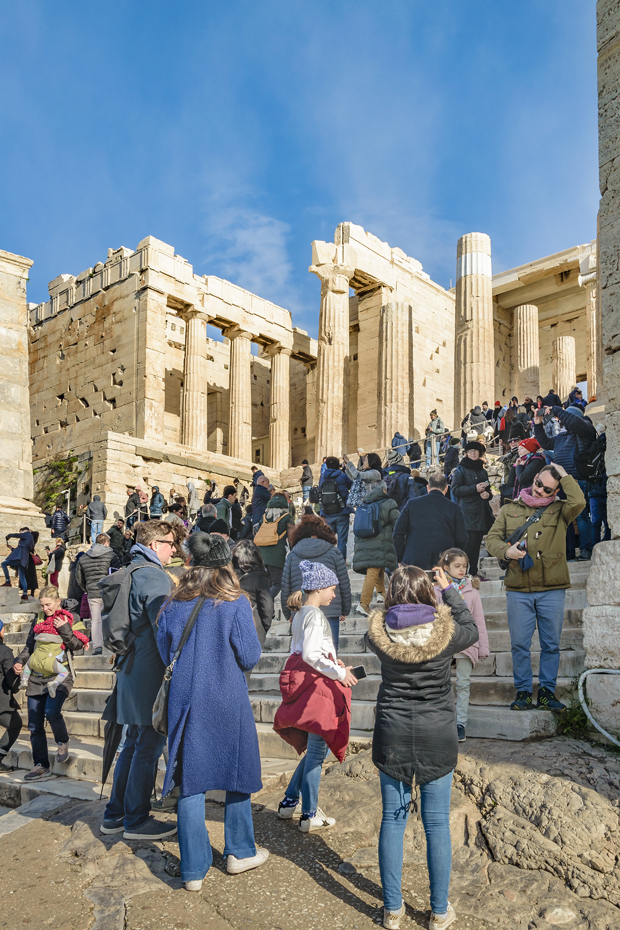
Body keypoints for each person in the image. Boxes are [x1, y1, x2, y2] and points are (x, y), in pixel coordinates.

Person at [365, 565, 478, 930]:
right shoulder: (447, 634)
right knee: (436, 824)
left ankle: (393, 910)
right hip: (436, 732)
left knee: (392, 821)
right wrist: (449, 590)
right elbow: (473, 629)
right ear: (429, 593)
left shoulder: (378, 633)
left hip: (393, 731)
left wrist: (390, 600)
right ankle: (440, 912)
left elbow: (379, 618)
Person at [157, 532, 268, 889]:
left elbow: (165, 653)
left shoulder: (172, 603)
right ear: (224, 563)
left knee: (190, 780)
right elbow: (250, 655)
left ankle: (193, 868)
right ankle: (239, 851)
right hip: (226, 695)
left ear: (189, 562)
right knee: (237, 771)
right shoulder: (234, 601)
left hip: (185, 697)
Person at [486, 463, 585, 712]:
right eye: (539, 484)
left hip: (552, 587)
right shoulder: (509, 509)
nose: (540, 490)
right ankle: (522, 692)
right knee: (520, 644)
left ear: (555, 492)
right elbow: (491, 539)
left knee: (550, 645)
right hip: (518, 588)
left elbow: (579, 501)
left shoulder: (561, 510)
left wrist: (564, 476)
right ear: (535, 478)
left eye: (547, 490)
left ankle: (546, 693)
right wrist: (505, 551)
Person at [99, 521, 176, 841]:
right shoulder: (153, 575)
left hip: (131, 666)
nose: (175, 548)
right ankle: (137, 819)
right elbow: (164, 625)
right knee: (148, 744)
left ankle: (115, 814)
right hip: (148, 670)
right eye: (171, 543)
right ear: (155, 544)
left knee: (133, 743)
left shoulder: (132, 569)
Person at [274, 561, 356, 832]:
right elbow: (311, 655)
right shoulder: (315, 615)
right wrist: (338, 671)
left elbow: (304, 652)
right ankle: (309, 814)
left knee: (313, 751)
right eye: (331, 589)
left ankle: (288, 803)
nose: (334, 595)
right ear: (319, 588)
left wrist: (332, 661)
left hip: (307, 684)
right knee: (317, 753)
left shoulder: (301, 613)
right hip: (317, 689)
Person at [14, 584, 89, 781]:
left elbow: (78, 645)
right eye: (42, 605)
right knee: (33, 725)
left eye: (48, 605)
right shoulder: (38, 619)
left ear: (58, 602)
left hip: (61, 676)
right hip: (36, 677)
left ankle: (62, 741)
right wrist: (19, 661)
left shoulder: (73, 618)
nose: (45, 609)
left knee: (51, 712)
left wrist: (64, 629)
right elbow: (29, 646)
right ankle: (41, 765)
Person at [434, 549, 489, 743]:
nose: (461, 569)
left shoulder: (472, 590)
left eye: (464, 566)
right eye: (457, 566)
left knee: (463, 684)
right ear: (446, 567)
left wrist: (482, 646)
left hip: (466, 643)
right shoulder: (436, 590)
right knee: (442, 685)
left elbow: (478, 620)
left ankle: (461, 724)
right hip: (444, 644)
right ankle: (445, 721)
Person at [534, 403, 597, 561]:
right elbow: (546, 443)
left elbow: (574, 422)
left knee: (581, 516)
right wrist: (537, 424)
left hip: (578, 479)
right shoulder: (562, 436)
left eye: (565, 417)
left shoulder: (586, 429)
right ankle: (568, 552)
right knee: (564, 518)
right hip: (560, 482)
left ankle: (586, 550)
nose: (561, 421)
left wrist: (556, 409)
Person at [281, 514, 351, 650]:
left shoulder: (293, 555)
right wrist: (345, 609)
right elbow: (344, 582)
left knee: (303, 652)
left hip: (301, 610)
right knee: (330, 652)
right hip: (331, 610)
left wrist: (287, 612)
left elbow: (285, 586)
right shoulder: (334, 552)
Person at [393, 473, 468, 570]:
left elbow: (398, 532)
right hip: (444, 559)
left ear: (428, 487)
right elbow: (462, 538)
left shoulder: (412, 504)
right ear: (446, 489)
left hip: (414, 558)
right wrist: (455, 557)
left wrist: (400, 558)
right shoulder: (455, 508)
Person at [353, 477, 399, 618]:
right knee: (373, 571)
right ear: (384, 490)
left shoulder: (363, 504)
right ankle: (363, 604)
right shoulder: (389, 503)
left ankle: (381, 594)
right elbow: (397, 522)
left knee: (379, 566)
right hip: (381, 543)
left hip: (363, 542)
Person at [451, 441, 494, 579]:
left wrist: (488, 495)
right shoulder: (461, 470)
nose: (473, 453)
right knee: (468, 545)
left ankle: (473, 572)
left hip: (481, 513)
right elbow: (455, 490)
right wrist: (474, 489)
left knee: (476, 545)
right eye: (470, 451)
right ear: (466, 453)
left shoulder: (483, 471)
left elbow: (488, 491)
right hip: (468, 513)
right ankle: (461, 574)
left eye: (475, 451)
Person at [75, 533, 120, 656]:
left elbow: (78, 578)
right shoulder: (112, 555)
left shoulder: (83, 558)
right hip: (108, 592)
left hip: (93, 592)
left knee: (95, 620)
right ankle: (113, 645)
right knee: (112, 618)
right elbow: (118, 574)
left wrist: (88, 589)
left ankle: (97, 646)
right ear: (106, 543)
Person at [231, 540, 274, 648]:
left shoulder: (229, 576)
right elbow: (267, 604)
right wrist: (264, 627)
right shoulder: (259, 576)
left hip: (231, 625)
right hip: (253, 624)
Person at [254, 490, 294, 598]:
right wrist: (293, 551)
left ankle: (266, 611)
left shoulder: (264, 517)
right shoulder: (287, 517)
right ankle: (263, 605)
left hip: (261, 554)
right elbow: (291, 537)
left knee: (269, 584)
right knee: (277, 584)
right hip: (276, 556)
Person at [318, 457, 353, 560]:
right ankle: (341, 563)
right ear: (338, 465)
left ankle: (329, 562)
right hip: (342, 512)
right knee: (342, 541)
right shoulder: (342, 476)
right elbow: (351, 484)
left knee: (329, 540)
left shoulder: (322, 478)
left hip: (327, 513)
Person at [0, 619, 22, 769]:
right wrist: (17, 685)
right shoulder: (4, 651)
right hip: (1, 701)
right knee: (15, 724)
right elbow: (11, 679)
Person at [501, 437, 546, 503]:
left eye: (521, 448)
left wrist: (519, 466)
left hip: (530, 498)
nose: (519, 451)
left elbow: (522, 478)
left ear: (529, 449)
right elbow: (510, 483)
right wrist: (514, 466)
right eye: (519, 449)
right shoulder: (523, 460)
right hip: (520, 497)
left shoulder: (536, 461)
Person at [2, 527, 35, 601]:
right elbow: (21, 549)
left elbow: (16, 535)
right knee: (22, 577)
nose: (21, 533)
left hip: (20, 559)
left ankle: (8, 581)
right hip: (23, 560)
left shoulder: (27, 534)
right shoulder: (28, 538)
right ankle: (25, 594)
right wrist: (11, 548)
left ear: (23, 531)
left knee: (3, 564)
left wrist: (9, 535)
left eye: (21, 532)